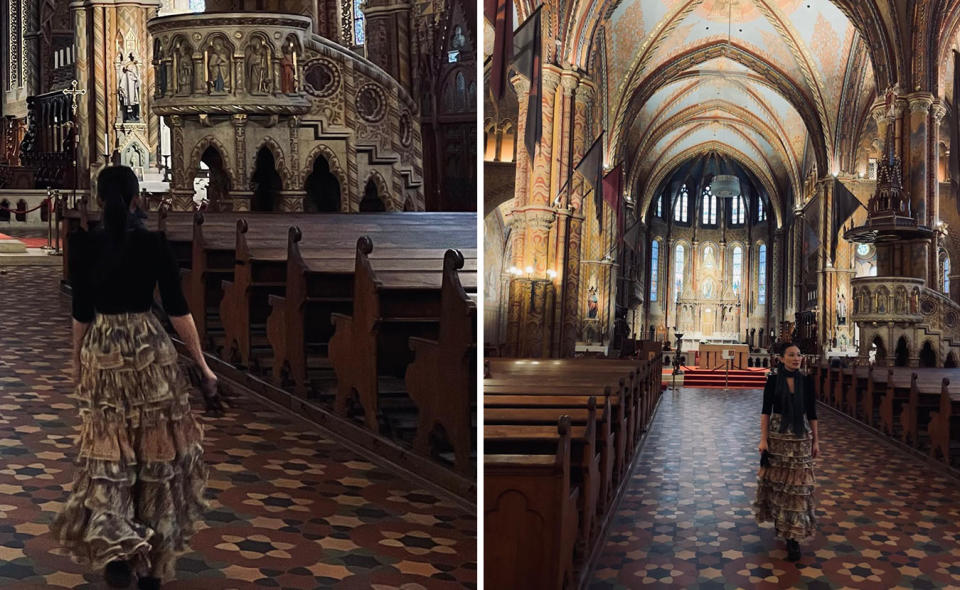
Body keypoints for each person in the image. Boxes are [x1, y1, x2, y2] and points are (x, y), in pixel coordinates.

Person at [50, 166, 224, 590]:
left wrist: (75, 360)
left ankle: (119, 552)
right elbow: (179, 310)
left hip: (104, 350)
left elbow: (82, 313)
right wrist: (202, 366)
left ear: (99, 197)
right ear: (135, 199)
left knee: (109, 451)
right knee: (155, 450)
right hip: (149, 352)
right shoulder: (153, 243)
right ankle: (154, 550)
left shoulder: (84, 245)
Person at [754, 342, 819, 562]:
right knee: (780, 485)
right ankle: (783, 524)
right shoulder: (773, 381)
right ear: (781, 358)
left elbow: (812, 412)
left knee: (798, 486)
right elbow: (765, 411)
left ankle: (794, 538)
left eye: (798, 354)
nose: (796, 358)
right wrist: (763, 439)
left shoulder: (807, 381)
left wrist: (816, 440)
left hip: (800, 437)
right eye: (791, 355)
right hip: (778, 437)